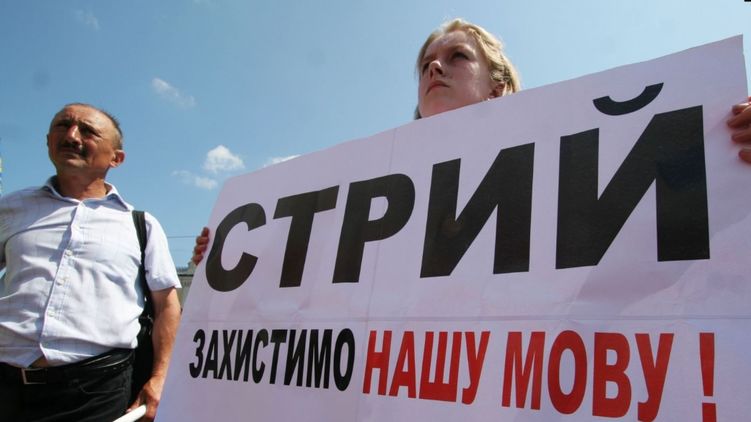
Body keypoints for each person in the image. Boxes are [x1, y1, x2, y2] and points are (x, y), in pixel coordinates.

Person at [191, 18, 751, 260]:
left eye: (457, 57)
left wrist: (731, 157)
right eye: (425, 64)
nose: (434, 68)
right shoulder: (368, 186)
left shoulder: (572, 161)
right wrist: (235, 260)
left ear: (498, 87)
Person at [0, 103, 182, 422]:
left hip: (96, 393)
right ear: (47, 141)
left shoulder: (141, 226)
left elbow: (167, 307)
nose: (72, 136)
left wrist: (160, 377)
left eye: (88, 131)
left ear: (116, 158)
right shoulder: (12, 209)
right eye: (63, 125)